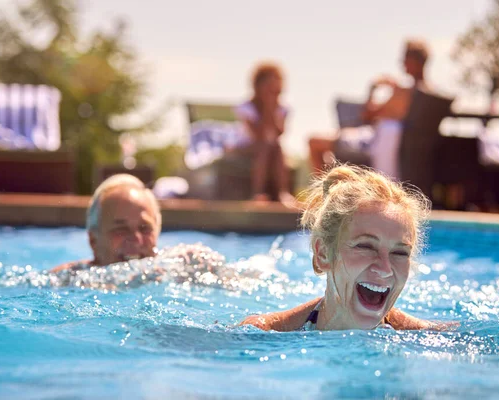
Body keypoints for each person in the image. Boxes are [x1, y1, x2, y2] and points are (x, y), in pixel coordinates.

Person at [240, 164, 449, 332]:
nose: (385, 269)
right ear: (323, 254)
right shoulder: (264, 333)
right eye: (366, 246)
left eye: (400, 252)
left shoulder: (429, 339)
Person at [308, 39, 430, 179]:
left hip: (373, 143)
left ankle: (325, 195)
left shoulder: (403, 93)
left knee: (314, 142)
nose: (402, 63)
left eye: (405, 59)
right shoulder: (431, 93)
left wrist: (374, 86)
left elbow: (367, 114)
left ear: (413, 61)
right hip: (399, 148)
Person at [49, 174, 213, 273]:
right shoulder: (69, 280)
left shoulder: (178, 269)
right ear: (94, 241)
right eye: (121, 229)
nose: (136, 238)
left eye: (145, 228)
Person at [234, 62, 297, 207]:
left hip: (270, 148)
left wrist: (272, 108)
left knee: (276, 146)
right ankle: (258, 192)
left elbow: (279, 133)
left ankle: (282, 192)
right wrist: (267, 108)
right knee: (265, 147)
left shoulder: (283, 109)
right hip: (244, 147)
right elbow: (258, 135)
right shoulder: (246, 107)